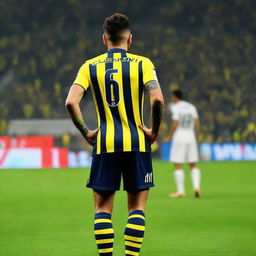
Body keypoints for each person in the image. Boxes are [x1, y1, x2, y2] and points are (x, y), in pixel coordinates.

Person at [65, 13, 164, 256]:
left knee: (102, 210)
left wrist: (87, 132)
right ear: (129, 39)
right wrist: (154, 131)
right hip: (137, 142)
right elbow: (158, 99)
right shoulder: (143, 63)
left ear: (104, 39)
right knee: (137, 208)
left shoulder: (89, 66)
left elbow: (70, 102)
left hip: (104, 143)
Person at [164, 89, 201, 198]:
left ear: (175, 97)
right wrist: (195, 135)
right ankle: (196, 187)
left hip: (179, 136)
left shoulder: (176, 107)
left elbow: (176, 122)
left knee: (178, 164)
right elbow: (197, 123)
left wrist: (169, 136)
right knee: (193, 164)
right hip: (191, 136)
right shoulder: (191, 107)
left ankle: (180, 191)